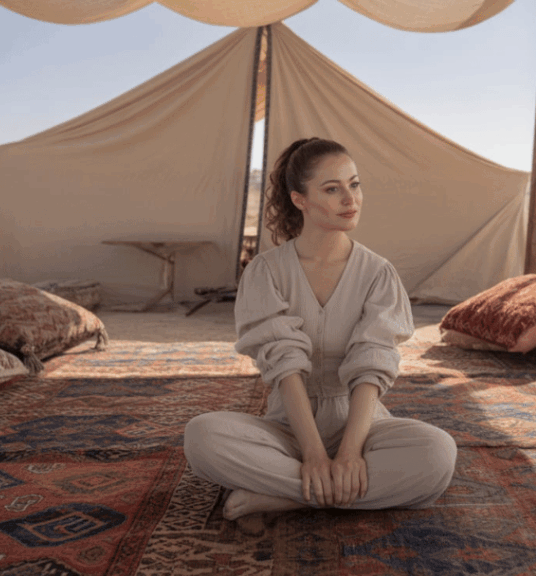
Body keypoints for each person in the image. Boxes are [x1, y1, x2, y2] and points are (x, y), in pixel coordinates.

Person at [184, 137, 457, 520]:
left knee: (438, 456)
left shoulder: (379, 274)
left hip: (363, 428)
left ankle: (284, 497)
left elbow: (371, 366)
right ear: (300, 199)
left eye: (355, 184)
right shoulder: (265, 272)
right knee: (202, 438)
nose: (351, 199)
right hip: (290, 428)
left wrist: (348, 454)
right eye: (333, 189)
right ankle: (328, 488)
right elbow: (284, 368)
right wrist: (313, 454)